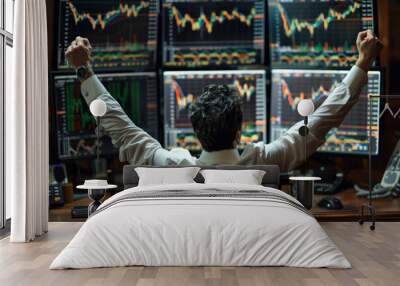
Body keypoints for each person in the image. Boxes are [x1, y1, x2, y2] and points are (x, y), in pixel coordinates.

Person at [65, 30, 382, 172]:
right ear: (239, 132)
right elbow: (323, 118)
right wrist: (363, 62)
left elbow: (121, 128)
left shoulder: (174, 165)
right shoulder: (268, 159)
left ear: (195, 134)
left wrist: (84, 69)